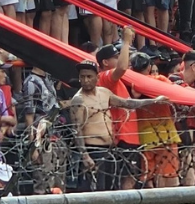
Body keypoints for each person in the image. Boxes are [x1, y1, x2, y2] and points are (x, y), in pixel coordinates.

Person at [69, 59, 169, 192]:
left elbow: (127, 103)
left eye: (89, 76)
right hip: (93, 150)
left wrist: (154, 101)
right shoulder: (78, 100)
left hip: (109, 150)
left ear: (97, 77)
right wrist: (85, 155)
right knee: (95, 192)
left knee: (108, 190)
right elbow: (77, 129)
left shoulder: (104, 93)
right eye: (82, 77)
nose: (86, 80)